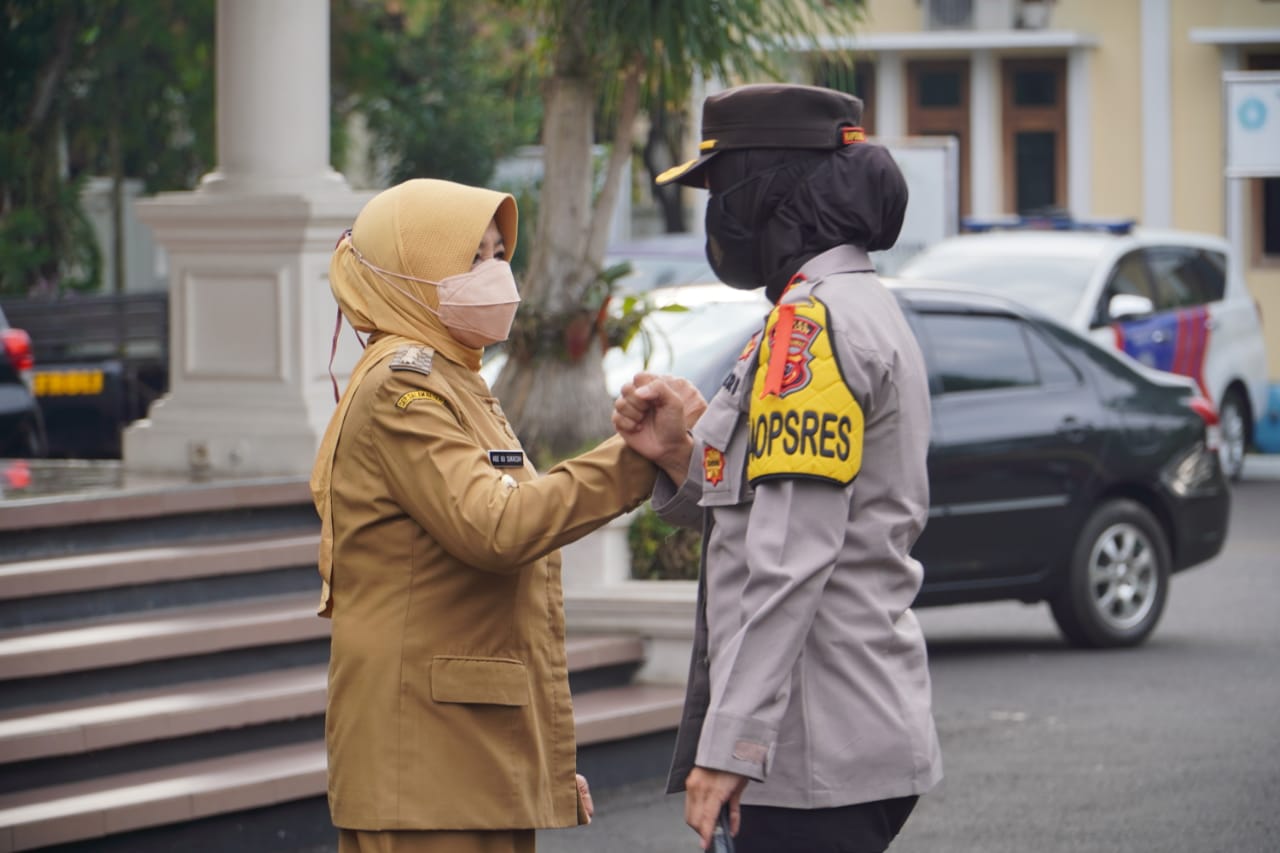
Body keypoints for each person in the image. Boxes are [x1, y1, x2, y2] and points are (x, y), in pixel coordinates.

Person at [612, 83, 943, 853]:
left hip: (810, 749)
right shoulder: (834, 305)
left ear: (769, 193)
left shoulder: (814, 324)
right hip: (838, 736)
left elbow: (792, 556)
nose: (716, 216)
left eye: (722, 190)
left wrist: (729, 749)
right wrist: (678, 454)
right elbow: (773, 501)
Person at [310, 178, 681, 853]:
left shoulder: (457, 379)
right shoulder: (405, 383)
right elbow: (498, 527)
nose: (495, 275)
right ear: (410, 273)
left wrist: (538, 759)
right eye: (471, 259)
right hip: (425, 760)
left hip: (464, 751)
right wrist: (633, 460)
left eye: (497, 254)